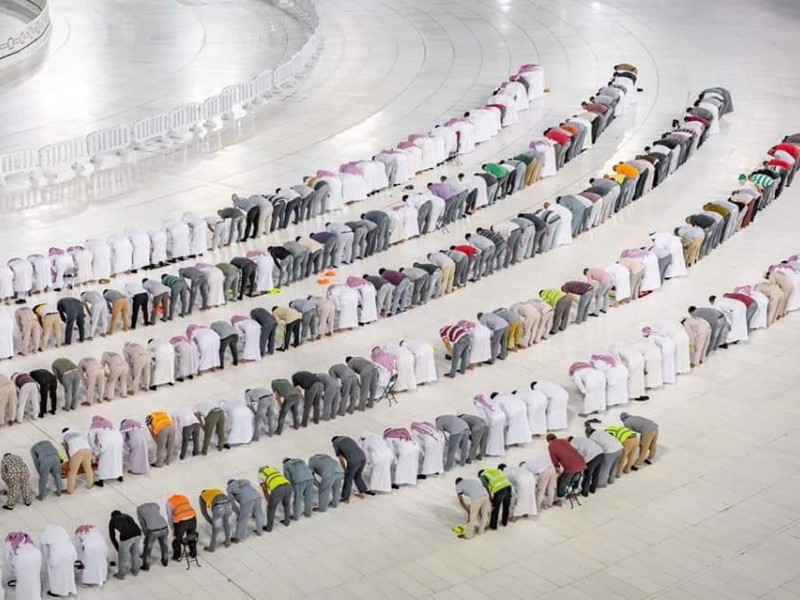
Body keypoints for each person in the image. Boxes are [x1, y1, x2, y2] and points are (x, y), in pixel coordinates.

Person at [546, 433, 586, 504]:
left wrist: (558, 471)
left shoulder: (551, 446)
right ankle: (573, 491)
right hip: (581, 462)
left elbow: (554, 460)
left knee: (563, 481)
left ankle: (560, 497)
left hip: (571, 466)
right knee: (576, 477)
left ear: (549, 441)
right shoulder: (563, 440)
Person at [332, 435, 372, 502]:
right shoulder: (348, 437)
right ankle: (363, 490)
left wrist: (345, 470)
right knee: (357, 475)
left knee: (348, 478)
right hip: (362, 457)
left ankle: (345, 498)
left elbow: (341, 459)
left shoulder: (335, 443)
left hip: (353, 460)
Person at [4, 532, 42, 600]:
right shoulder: (27, 540)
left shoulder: (9, 542)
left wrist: (12, 569)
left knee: (22, 583)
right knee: (34, 579)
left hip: (22, 560)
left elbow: (7, 559)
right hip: (36, 557)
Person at [88, 415, 124, 486]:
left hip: (107, 442)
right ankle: (120, 476)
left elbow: (90, 439)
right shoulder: (109, 423)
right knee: (117, 458)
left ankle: (101, 480)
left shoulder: (94, 425)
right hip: (118, 440)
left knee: (103, 460)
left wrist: (95, 450)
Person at [584, 421, 623, 487]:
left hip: (610, 451)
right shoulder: (601, 431)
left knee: (605, 467)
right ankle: (611, 480)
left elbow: (594, 449)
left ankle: (601, 483)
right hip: (620, 447)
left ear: (588, 434)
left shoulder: (592, 437)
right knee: (614, 465)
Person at [108, 510, 142, 579]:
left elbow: (112, 536)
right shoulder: (127, 515)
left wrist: (118, 548)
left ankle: (121, 575)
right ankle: (135, 571)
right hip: (138, 533)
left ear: (112, 516)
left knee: (122, 557)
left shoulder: (112, 520)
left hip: (126, 536)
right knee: (135, 553)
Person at [136, 502, 170, 570]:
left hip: (153, 530)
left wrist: (147, 535)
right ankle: (165, 561)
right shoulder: (155, 505)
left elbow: (142, 524)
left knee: (148, 548)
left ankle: (146, 566)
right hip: (164, 527)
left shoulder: (139, 509)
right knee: (164, 545)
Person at [60, 427, 94, 493]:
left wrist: (70, 458)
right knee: (88, 468)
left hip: (76, 451)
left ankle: (69, 490)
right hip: (88, 449)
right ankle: (90, 485)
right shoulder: (77, 433)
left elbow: (66, 448)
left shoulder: (63, 436)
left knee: (72, 472)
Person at [258, 466, 292, 532]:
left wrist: (269, 502)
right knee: (286, 504)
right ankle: (287, 521)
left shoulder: (260, 474)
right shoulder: (274, 469)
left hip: (278, 489)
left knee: (271, 508)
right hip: (288, 486)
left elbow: (265, 490)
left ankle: (269, 528)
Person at [165, 494, 198, 561]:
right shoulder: (184, 497)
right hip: (192, 518)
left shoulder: (169, 502)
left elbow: (170, 518)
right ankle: (193, 554)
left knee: (176, 540)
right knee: (191, 536)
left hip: (181, 521)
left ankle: (177, 556)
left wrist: (173, 531)